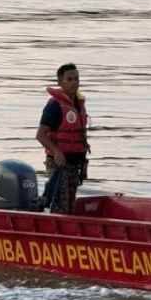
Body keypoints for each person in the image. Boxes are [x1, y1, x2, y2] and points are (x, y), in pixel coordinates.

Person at [35, 63, 89, 214]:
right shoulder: (55, 106)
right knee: (60, 203)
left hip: (74, 163)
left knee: (70, 203)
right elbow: (40, 135)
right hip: (59, 163)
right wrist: (56, 152)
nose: (74, 82)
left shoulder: (78, 104)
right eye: (69, 79)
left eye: (76, 79)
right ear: (60, 82)